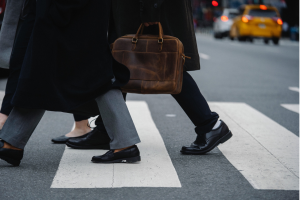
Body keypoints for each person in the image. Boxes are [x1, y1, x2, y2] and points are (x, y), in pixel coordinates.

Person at [67, 0, 233, 155]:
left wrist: (151, 8)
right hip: (136, 9)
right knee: (119, 61)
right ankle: (107, 130)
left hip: (145, 10)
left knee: (167, 65)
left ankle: (210, 124)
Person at [0, 0, 141, 166]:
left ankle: (13, 143)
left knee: (94, 75)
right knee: (46, 73)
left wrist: (56, 10)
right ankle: (12, 143)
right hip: (67, 12)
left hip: (69, 12)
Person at [0, 0, 92, 143]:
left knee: (77, 68)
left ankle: (5, 119)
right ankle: (83, 124)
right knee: (24, 61)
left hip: (48, 9)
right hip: (35, 8)